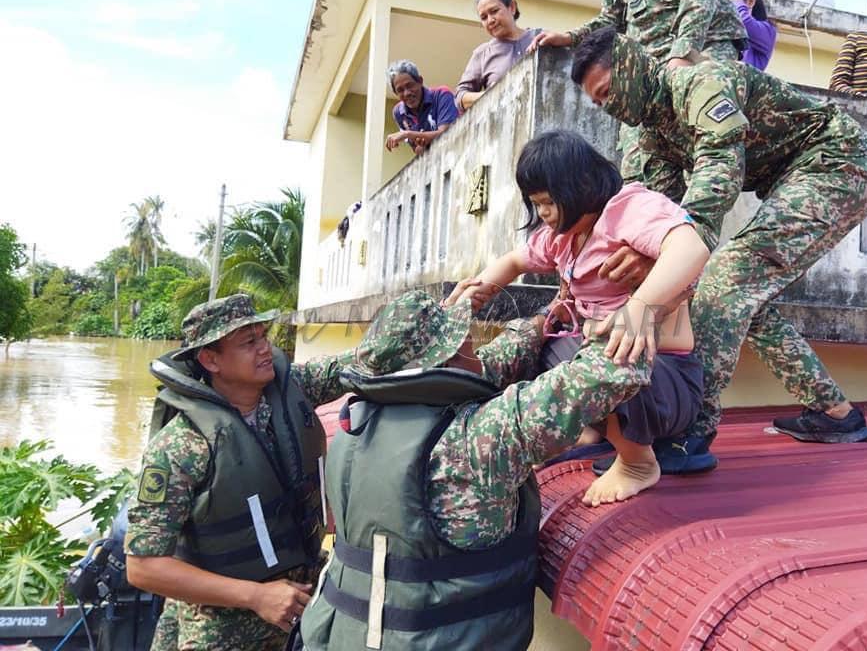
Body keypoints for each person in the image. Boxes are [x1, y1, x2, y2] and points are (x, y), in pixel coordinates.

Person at [570, 27, 867, 469]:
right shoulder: (654, 136)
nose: (611, 108)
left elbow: (720, 169)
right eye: (600, 104)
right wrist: (649, 257)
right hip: (793, 178)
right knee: (742, 298)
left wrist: (682, 249)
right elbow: (657, 213)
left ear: (631, 69)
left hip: (837, 163)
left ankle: (687, 432)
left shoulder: (702, 84)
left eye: (609, 93)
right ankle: (836, 413)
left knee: (727, 277)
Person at [295, 290, 646, 650]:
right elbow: (607, 373)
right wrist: (643, 303)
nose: (472, 346)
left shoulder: (355, 426)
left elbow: (482, 367)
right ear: (445, 358)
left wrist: (543, 321)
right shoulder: (477, 439)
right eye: (463, 341)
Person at [446, 130, 709, 502]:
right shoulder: (565, 235)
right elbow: (516, 260)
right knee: (546, 348)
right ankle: (592, 431)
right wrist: (477, 291)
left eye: (549, 202)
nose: (543, 214)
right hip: (606, 363)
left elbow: (690, 246)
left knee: (606, 354)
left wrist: (640, 307)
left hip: (661, 379)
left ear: (582, 183)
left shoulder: (628, 209)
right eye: (536, 204)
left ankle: (637, 462)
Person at [125, 294, 356, 651]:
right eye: (248, 343)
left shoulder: (293, 389)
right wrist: (256, 597)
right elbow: (143, 567)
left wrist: (449, 309)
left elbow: (370, 359)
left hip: (295, 615)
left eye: (264, 336)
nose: (265, 349)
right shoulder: (183, 446)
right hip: (218, 632)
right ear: (210, 359)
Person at [527, 0, 746, 185]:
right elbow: (614, 17)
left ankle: (698, 217)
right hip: (646, 63)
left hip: (703, 43)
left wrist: (683, 54)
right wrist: (571, 37)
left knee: (701, 144)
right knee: (638, 170)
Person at [454, 0, 541, 112]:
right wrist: (490, 94)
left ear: (512, 7)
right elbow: (460, 97)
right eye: (484, 17)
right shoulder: (483, 53)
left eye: (494, 11)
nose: (490, 20)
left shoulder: (540, 37)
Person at [385, 60, 458, 154]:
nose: (407, 93)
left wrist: (407, 134)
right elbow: (417, 150)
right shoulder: (399, 113)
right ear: (395, 93)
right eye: (400, 90)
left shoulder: (442, 95)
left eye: (410, 85)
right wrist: (423, 143)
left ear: (420, 81)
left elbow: (447, 134)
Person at [723, 0, 776, 71]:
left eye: (729, 2)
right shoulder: (721, 31)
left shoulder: (768, 31)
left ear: (751, 1)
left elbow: (744, 23)